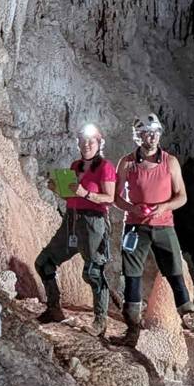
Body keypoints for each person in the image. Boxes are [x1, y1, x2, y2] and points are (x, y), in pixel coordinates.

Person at [116, 113, 194, 344]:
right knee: (131, 275)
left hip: (163, 224)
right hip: (134, 226)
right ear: (137, 137)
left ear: (159, 134)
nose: (150, 137)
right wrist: (132, 208)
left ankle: (189, 319)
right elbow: (116, 197)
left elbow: (182, 196)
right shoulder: (127, 163)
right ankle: (132, 329)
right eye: (144, 133)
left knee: (175, 271)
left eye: (154, 133)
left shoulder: (170, 162)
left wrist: (163, 207)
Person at [35, 124, 118, 331]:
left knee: (93, 271)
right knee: (44, 262)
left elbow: (110, 199)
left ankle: (100, 321)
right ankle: (54, 309)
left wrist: (86, 194)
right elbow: (73, 197)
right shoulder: (75, 166)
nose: (87, 144)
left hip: (93, 222)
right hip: (71, 221)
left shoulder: (105, 167)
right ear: (78, 143)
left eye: (92, 141)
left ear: (99, 143)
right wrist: (58, 190)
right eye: (83, 140)